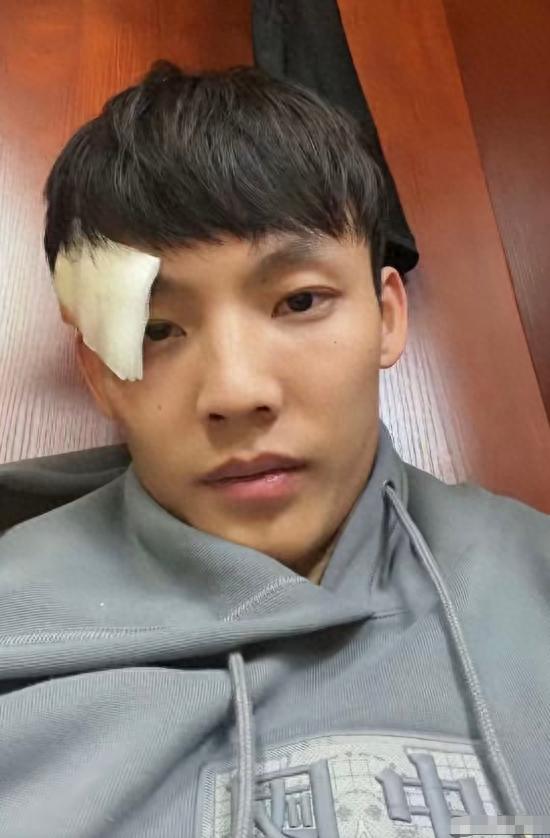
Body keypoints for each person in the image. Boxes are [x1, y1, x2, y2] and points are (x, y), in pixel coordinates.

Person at [0, 61, 548, 838]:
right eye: (156, 329)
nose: (236, 391)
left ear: (388, 317)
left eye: (299, 300)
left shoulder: (534, 578)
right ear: (98, 373)